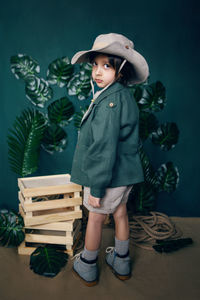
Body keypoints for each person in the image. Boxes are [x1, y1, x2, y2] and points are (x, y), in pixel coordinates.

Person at [70, 33, 149, 287]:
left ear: (122, 69)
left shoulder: (109, 103)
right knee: (120, 212)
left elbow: (105, 148)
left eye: (107, 65)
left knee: (94, 217)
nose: (97, 72)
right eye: (95, 64)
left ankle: (88, 264)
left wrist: (97, 187)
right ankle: (122, 260)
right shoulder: (122, 95)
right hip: (125, 175)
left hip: (108, 177)